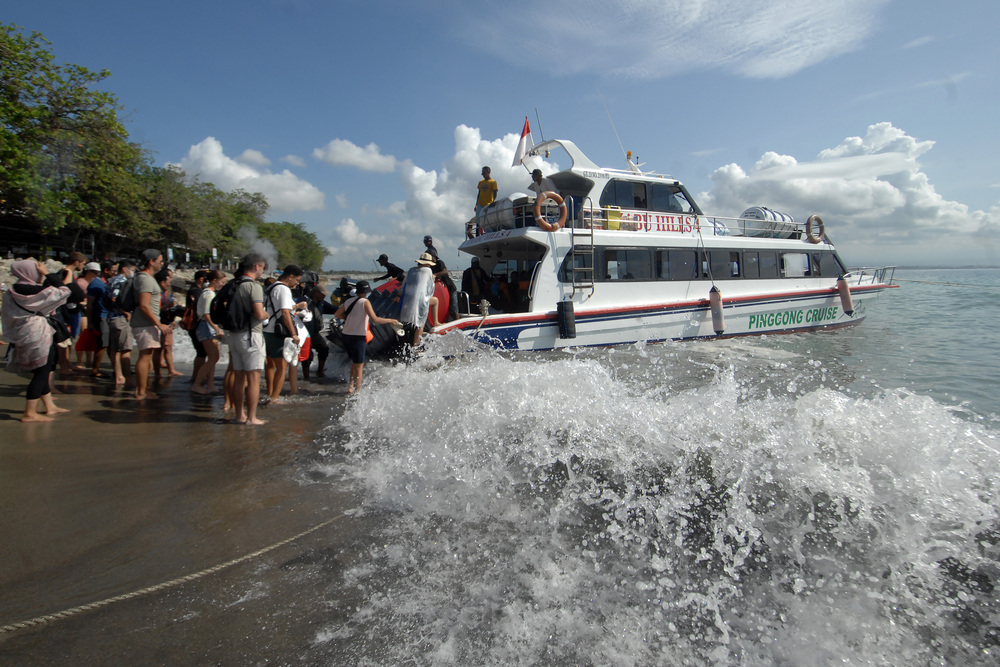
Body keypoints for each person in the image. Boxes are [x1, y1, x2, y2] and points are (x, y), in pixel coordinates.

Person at [1, 259, 72, 422]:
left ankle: (49, 406)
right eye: (37, 272)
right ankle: (30, 412)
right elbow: (63, 291)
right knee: (42, 373)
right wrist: (48, 274)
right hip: (37, 334)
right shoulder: (33, 290)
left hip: (23, 333)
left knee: (41, 370)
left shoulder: (11, 290)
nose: (40, 275)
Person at [334, 280, 400, 394]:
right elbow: (375, 319)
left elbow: (337, 314)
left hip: (346, 335)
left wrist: (350, 319)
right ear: (366, 292)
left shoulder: (349, 301)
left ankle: (350, 386)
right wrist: (391, 320)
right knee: (359, 365)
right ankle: (357, 391)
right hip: (358, 336)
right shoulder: (365, 302)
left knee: (355, 362)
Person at [228, 253, 269, 425]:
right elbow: (259, 314)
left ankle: (239, 415)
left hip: (234, 335)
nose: (262, 272)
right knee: (253, 379)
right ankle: (252, 417)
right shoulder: (253, 287)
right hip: (251, 335)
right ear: (256, 267)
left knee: (239, 378)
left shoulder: (233, 284)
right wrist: (267, 313)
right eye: (263, 268)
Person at [130, 249, 169, 400]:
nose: (162, 263)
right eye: (160, 260)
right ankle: (141, 391)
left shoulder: (146, 278)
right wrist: (159, 324)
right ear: (151, 262)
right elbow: (144, 305)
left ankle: (143, 389)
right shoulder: (145, 279)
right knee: (145, 357)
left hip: (146, 323)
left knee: (146, 356)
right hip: (145, 323)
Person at [263, 264, 303, 404]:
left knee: (269, 364)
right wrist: (293, 334)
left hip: (267, 329)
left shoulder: (271, 287)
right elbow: (285, 312)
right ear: (290, 277)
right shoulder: (284, 289)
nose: (297, 283)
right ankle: (274, 398)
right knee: (282, 366)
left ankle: (270, 392)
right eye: (296, 280)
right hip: (277, 331)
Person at [191, 270, 226, 395]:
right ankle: (196, 384)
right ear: (214, 281)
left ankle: (210, 384)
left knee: (213, 357)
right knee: (213, 357)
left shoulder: (209, 293)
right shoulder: (208, 294)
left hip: (207, 326)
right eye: (222, 282)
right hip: (206, 327)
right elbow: (206, 314)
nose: (222, 284)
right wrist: (217, 328)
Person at [103, 260, 135, 386]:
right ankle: (127, 377)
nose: (132, 272)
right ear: (125, 269)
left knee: (114, 349)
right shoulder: (121, 281)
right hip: (120, 317)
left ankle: (118, 375)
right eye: (131, 269)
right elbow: (115, 298)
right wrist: (125, 311)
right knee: (125, 348)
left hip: (111, 317)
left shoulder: (111, 280)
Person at [398, 253, 439, 347]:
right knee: (421, 324)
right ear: (427, 263)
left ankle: (406, 343)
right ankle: (415, 346)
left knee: (435, 301)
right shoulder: (428, 271)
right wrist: (433, 280)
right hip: (420, 300)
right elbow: (430, 289)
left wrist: (398, 295)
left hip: (407, 300)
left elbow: (404, 284)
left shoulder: (411, 270)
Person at [83, 261, 115, 377]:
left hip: (109, 316)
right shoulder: (95, 284)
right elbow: (90, 304)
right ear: (105, 270)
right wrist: (90, 322)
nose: (114, 273)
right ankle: (95, 369)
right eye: (113, 271)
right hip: (101, 316)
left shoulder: (109, 282)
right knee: (102, 344)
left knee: (111, 344)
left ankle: (117, 369)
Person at [153, 268, 184, 378]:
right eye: (169, 279)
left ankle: (171, 370)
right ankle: (157, 372)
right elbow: (153, 310)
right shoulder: (156, 293)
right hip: (159, 323)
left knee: (168, 347)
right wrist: (166, 306)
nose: (170, 282)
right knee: (159, 349)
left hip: (168, 322)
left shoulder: (167, 292)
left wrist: (173, 319)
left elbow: (172, 308)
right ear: (162, 282)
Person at [302, 286, 335, 379]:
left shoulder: (322, 304)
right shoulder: (306, 302)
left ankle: (320, 372)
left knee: (324, 349)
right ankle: (306, 377)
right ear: (316, 292)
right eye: (322, 294)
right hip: (304, 334)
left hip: (315, 333)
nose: (324, 296)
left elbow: (335, 309)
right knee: (308, 356)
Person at [184, 270, 209, 384]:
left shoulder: (193, 290)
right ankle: (197, 378)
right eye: (206, 279)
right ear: (201, 279)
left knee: (201, 352)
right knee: (202, 352)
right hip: (197, 324)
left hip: (193, 324)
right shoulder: (197, 292)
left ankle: (196, 377)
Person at [431, 255, 458, 321]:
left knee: (454, 308)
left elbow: (445, 271)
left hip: (450, 287)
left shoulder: (439, 262)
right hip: (443, 289)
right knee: (447, 308)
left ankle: (458, 323)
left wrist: (435, 275)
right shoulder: (431, 266)